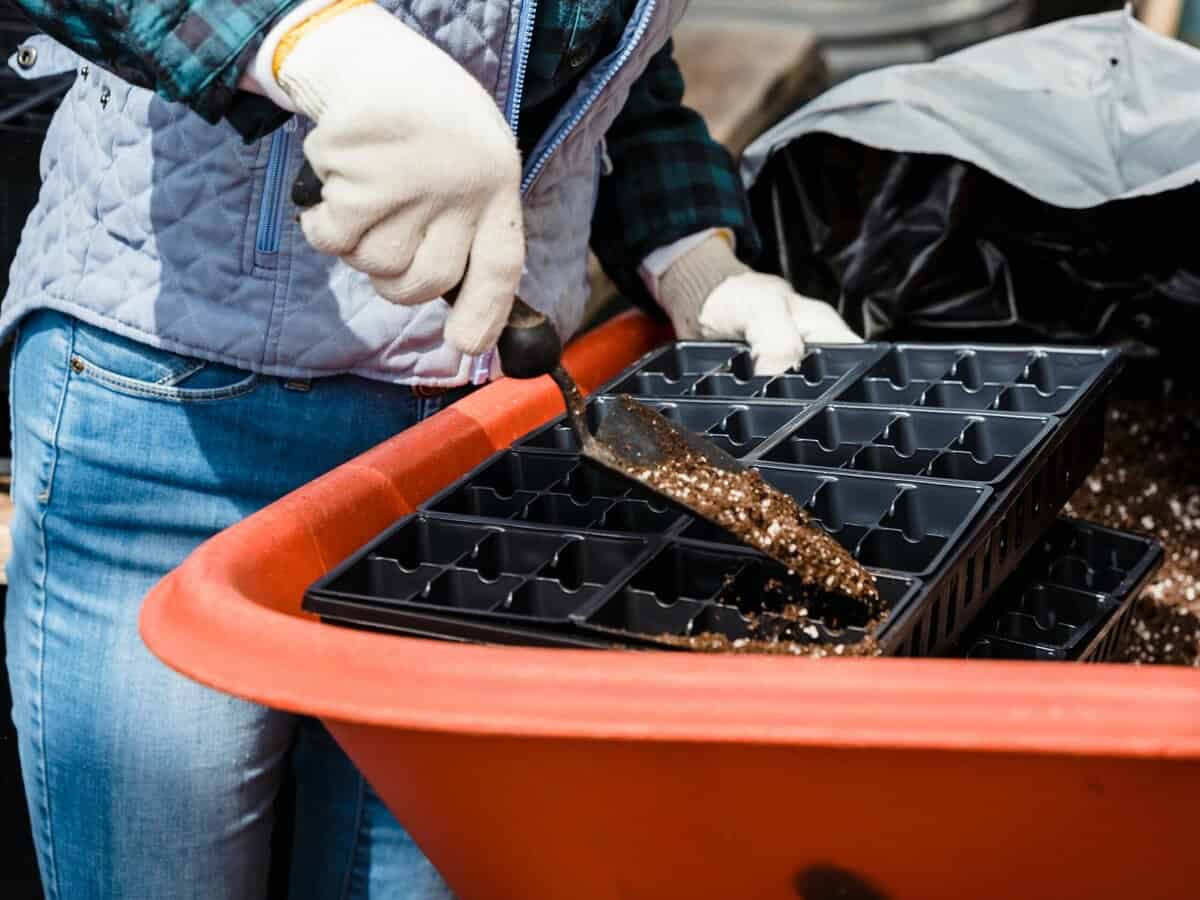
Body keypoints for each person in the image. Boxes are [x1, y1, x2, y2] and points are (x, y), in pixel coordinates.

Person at [2, 0, 862, 897]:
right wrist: (309, 39)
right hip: (181, 419)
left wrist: (693, 254)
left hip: (476, 449)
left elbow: (622, 77)